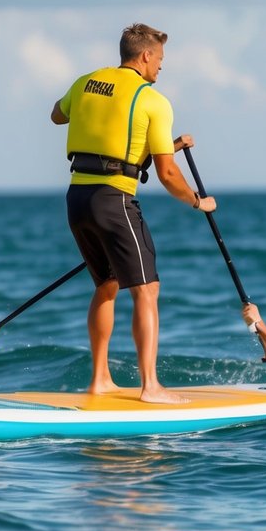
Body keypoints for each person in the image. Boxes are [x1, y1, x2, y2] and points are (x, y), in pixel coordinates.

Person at [52, 23, 216, 404]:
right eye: (159, 59)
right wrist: (198, 201)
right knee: (146, 289)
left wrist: (171, 144)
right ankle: (150, 387)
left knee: (106, 285)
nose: (161, 68)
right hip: (114, 202)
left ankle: (100, 380)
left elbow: (58, 117)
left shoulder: (87, 82)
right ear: (145, 56)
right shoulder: (152, 100)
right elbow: (167, 174)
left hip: (78, 198)